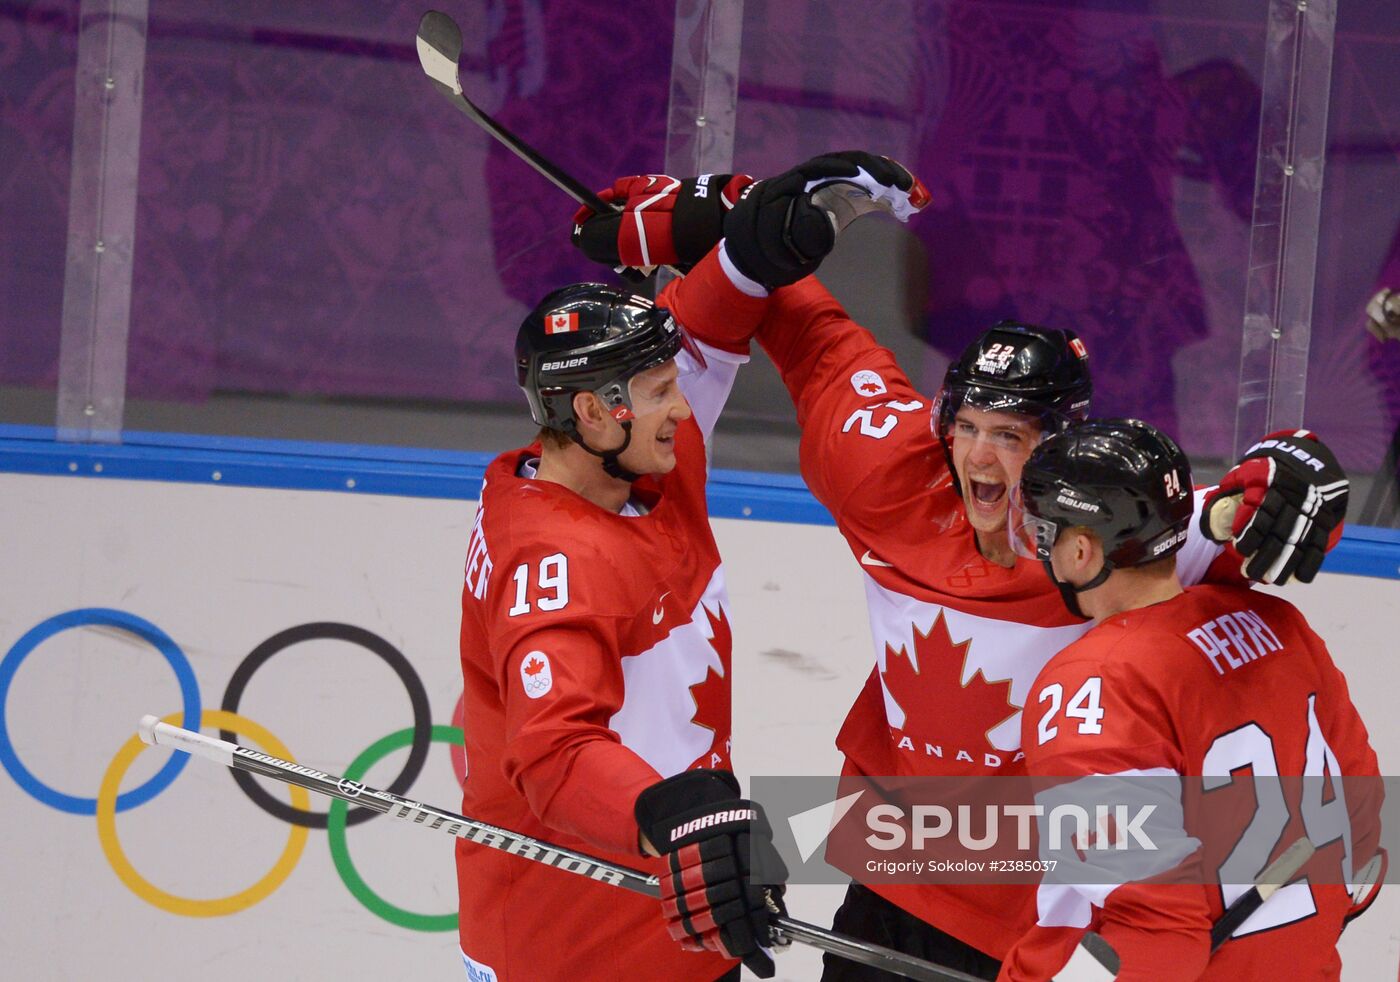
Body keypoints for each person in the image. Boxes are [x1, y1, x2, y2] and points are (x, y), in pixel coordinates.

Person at [567, 151, 1352, 979]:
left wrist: (1293, 469)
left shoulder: (1109, 523)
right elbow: (806, 331)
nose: (978, 455)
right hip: (890, 872)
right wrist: (731, 223)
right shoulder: (887, 465)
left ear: (1059, 442)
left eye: (1009, 436)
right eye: (967, 425)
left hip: (1032, 913)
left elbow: (1254, 515)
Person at [455, 283, 787, 981]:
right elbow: (554, 750)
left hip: (682, 905)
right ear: (593, 412)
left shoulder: (635, 474)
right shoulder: (554, 561)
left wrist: (738, 243)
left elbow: (714, 322)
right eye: (661, 390)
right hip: (571, 942)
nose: (681, 407)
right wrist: (683, 815)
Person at [997, 418, 1383, 980]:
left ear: (1082, 550)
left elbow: (1154, 938)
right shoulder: (1279, 623)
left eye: (1043, 531)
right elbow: (1366, 842)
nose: (1038, 547)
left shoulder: (1092, 684)